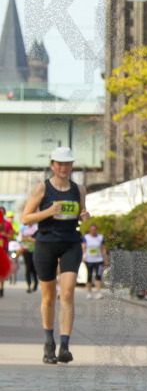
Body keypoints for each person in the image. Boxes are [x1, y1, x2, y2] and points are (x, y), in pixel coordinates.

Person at [21, 146, 90, 364]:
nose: (63, 167)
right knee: (49, 297)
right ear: (53, 165)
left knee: (67, 294)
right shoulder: (41, 189)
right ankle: (49, 342)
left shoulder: (79, 189)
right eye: (59, 164)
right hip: (46, 243)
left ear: (71, 166)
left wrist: (85, 216)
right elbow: (26, 218)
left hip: (71, 242)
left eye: (67, 163)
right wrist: (49, 212)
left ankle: (65, 346)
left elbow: (82, 215)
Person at [82, 223, 109, 299]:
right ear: (90, 230)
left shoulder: (100, 237)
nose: (93, 231)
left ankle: (98, 292)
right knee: (89, 275)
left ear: (96, 230)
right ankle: (89, 292)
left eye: (94, 229)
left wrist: (106, 258)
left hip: (98, 260)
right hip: (89, 260)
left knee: (98, 275)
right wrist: (83, 256)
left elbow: (103, 248)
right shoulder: (86, 237)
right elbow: (83, 247)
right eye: (91, 230)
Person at [19, 221, 38, 292]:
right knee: (28, 267)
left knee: (34, 267)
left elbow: (36, 239)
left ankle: (35, 282)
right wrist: (30, 239)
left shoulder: (36, 228)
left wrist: (28, 239)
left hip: (34, 250)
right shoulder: (24, 228)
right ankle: (29, 284)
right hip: (26, 249)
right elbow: (22, 238)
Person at [0, 207, 13, 296]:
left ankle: (1, 288)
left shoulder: (8, 224)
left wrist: (5, 235)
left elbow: (11, 237)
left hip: (3, 247)